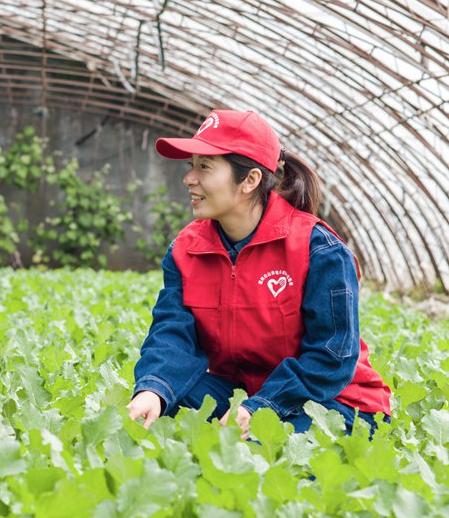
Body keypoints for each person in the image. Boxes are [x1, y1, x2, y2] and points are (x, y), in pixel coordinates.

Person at [128, 110, 390, 438]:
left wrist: (262, 407)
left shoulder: (318, 250)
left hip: (331, 401)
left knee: (270, 450)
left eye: (204, 167)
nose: (189, 178)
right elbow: (173, 333)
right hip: (243, 393)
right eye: (190, 165)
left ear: (250, 181)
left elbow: (331, 357)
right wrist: (155, 389)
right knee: (160, 413)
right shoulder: (186, 249)